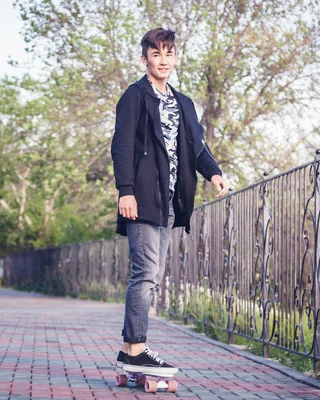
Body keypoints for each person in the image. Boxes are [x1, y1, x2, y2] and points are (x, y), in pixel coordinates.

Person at [110, 27, 228, 374]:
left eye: (169, 53)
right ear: (144, 58)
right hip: (142, 197)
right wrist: (125, 190)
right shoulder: (135, 96)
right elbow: (122, 146)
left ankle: (128, 351)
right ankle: (137, 349)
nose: (163, 60)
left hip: (169, 203)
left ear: (175, 57)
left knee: (152, 275)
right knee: (145, 274)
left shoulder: (183, 102)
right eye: (156, 54)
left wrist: (214, 172)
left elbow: (197, 149)